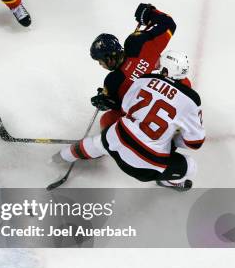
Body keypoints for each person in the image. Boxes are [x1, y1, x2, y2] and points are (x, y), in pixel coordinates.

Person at [53, 51, 205, 191]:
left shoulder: (144, 78)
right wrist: (170, 141)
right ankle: (168, 181)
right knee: (191, 167)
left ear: (166, 69)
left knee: (98, 142)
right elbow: (195, 143)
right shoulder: (191, 99)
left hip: (114, 142)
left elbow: (126, 109)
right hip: (145, 168)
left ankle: (58, 158)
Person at [89, 3, 177, 131]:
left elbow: (123, 106)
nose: (100, 65)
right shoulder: (138, 43)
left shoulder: (113, 80)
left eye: (100, 61)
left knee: (107, 120)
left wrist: (108, 101)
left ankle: (117, 145)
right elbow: (168, 24)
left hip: (158, 111)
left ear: (109, 58)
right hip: (167, 103)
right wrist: (151, 14)